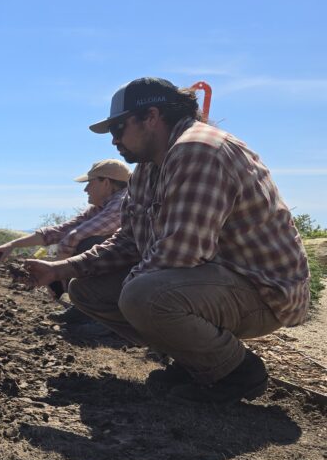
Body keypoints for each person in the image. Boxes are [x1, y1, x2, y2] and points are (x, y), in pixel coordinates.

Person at [20, 76, 310, 404]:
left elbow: (183, 251)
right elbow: (129, 240)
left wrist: (133, 294)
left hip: (264, 292)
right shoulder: (148, 168)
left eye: (118, 128)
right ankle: (196, 362)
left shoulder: (198, 150)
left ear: (152, 117)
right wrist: (60, 270)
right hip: (212, 282)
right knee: (87, 290)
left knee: (142, 295)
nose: (114, 140)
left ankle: (238, 372)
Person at [0, 159, 131, 323]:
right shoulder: (100, 207)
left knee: (88, 243)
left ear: (105, 183)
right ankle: (81, 306)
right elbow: (61, 231)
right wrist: (12, 245)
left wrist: (56, 269)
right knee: (69, 252)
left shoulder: (122, 202)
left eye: (90, 183)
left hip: (133, 275)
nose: (85, 189)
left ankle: (94, 315)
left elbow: (75, 235)